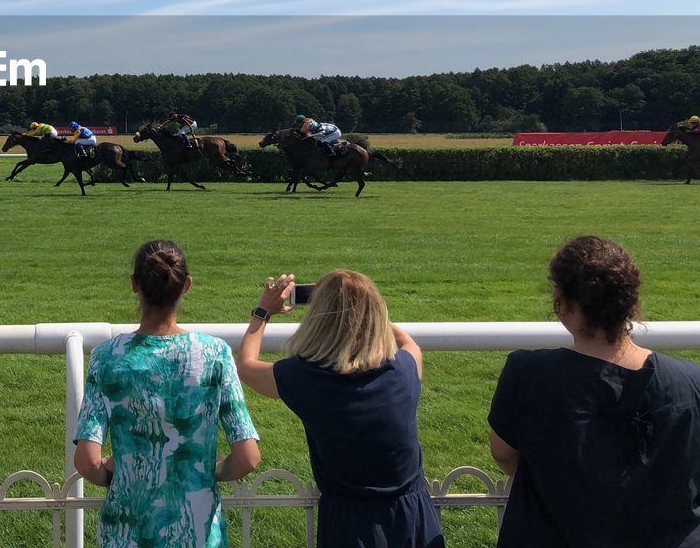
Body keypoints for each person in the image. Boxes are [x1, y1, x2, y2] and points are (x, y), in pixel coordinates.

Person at [488, 235, 700, 547]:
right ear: (630, 302)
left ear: (564, 304)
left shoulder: (529, 374)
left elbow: (504, 453)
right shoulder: (690, 381)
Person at [74, 240, 261, 548]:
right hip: (200, 532)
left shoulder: (107, 357)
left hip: (125, 534)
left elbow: (86, 461)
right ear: (186, 285)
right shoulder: (215, 354)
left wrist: (116, 477)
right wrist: (204, 471)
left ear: (135, 285)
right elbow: (248, 457)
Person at [237, 270, 444, 548]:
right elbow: (409, 344)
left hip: (348, 525)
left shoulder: (304, 377)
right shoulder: (404, 370)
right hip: (413, 519)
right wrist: (369, 313)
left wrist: (263, 311)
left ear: (318, 317)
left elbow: (246, 365)